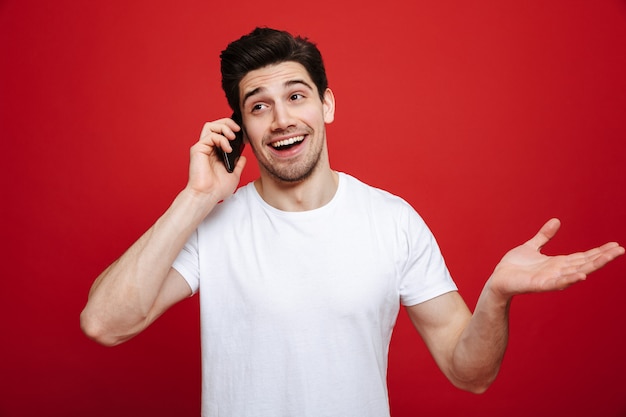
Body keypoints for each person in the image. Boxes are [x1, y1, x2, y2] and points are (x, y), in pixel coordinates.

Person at [80, 27, 624, 416]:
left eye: (296, 96)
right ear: (240, 126)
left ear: (327, 105)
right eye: (259, 106)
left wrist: (496, 296)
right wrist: (196, 198)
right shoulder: (211, 225)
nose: (283, 119)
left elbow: (470, 373)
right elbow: (104, 323)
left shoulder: (392, 221)